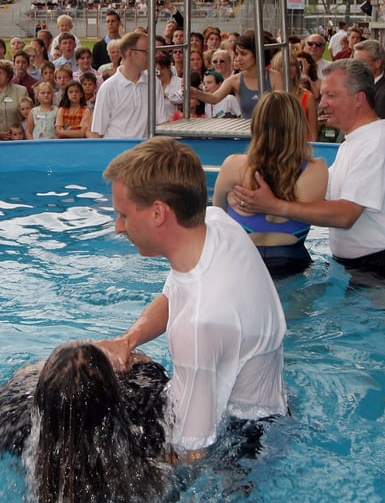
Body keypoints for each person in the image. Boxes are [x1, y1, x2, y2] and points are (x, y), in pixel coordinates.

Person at [99, 137, 288, 459]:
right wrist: (128, 341)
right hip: (270, 402)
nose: (118, 227)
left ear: (158, 213)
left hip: (244, 440)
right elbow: (175, 294)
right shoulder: (216, 223)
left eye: (124, 215)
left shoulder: (200, 325)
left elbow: (192, 452)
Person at [231, 60, 385, 284]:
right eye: (323, 95)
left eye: (331, 96)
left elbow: (346, 215)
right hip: (367, 266)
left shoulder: (376, 143)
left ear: (359, 99)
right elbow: (322, 197)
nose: (322, 103)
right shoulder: (355, 141)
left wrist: (274, 206)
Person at [0, 340, 171, 503]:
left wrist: (59, 371)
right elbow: (143, 363)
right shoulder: (142, 412)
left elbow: (22, 375)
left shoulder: (15, 419)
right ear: (115, 392)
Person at [213, 92, 328, 278]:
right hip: (293, 262)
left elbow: (217, 217)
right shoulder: (317, 171)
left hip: (241, 262)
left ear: (256, 125)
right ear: (298, 126)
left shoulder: (233, 166)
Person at [89, 32, 172, 139]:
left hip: (144, 152)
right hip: (116, 153)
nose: (153, 55)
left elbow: (161, 123)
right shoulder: (108, 87)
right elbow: (98, 132)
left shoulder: (154, 83)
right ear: (130, 53)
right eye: (147, 51)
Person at [191, 30, 282, 119]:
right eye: (237, 54)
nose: (238, 59)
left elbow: (283, 108)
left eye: (243, 54)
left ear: (257, 54)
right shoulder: (234, 80)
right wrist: (196, 93)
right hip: (246, 132)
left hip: (272, 132)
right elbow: (214, 98)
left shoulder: (276, 77)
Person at [353, 39, 385, 129]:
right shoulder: (356, 89)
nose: (356, 67)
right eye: (355, 63)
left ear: (377, 63)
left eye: (361, 62)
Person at [271, 52, 319, 141]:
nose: (289, 68)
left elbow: (313, 134)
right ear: (276, 68)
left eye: (292, 64)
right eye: (283, 65)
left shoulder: (308, 97)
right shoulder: (270, 98)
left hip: (301, 149)